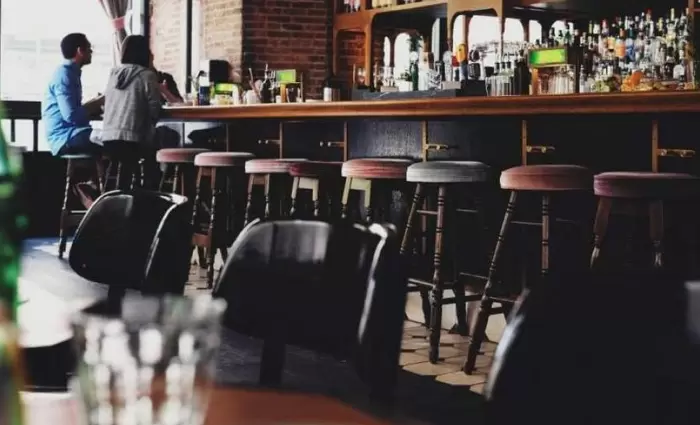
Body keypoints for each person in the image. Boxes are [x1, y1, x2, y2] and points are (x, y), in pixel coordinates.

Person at [101, 35, 162, 189]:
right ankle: (149, 194)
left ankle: (116, 195)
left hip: (108, 138)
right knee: (162, 142)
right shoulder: (147, 75)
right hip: (133, 140)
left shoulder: (114, 74)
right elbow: (155, 109)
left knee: (125, 164)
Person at [42, 33, 103, 157]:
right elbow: (70, 115)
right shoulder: (65, 75)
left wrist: (97, 102)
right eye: (89, 48)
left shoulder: (70, 73)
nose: (91, 51)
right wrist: (99, 102)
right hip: (65, 137)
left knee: (114, 139)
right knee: (115, 140)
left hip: (71, 134)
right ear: (80, 51)